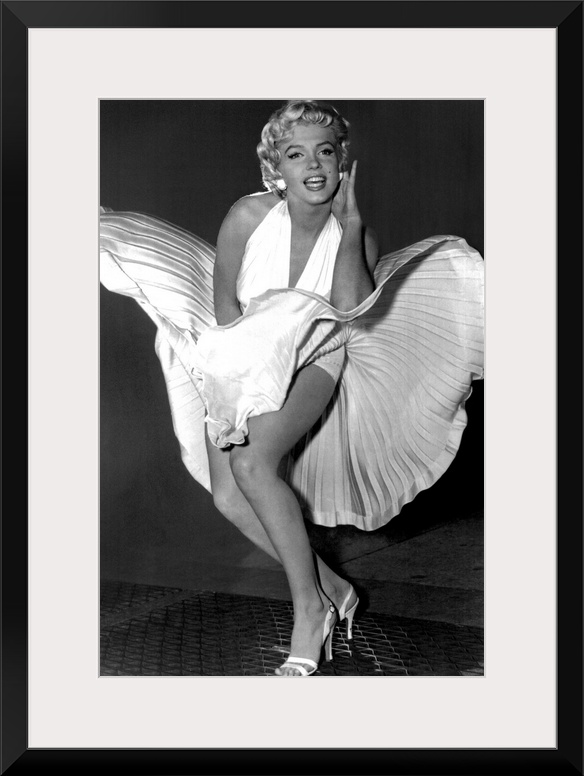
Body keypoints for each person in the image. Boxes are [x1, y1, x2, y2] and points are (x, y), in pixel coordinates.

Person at [100, 99, 485, 677]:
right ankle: (334, 588)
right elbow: (224, 304)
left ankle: (310, 611)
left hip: (318, 358)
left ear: (342, 162)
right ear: (274, 165)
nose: (313, 165)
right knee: (229, 496)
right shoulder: (248, 217)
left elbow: (354, 308)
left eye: (325, 152)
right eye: (295, 153)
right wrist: (231, 382)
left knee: (254, 468)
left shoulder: (357, 235)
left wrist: (352, 226)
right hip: (238, 356)